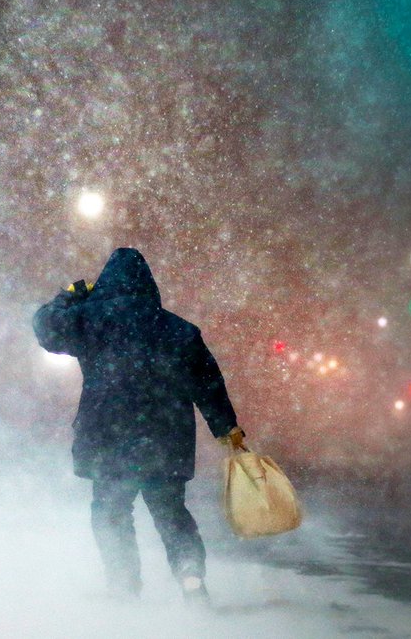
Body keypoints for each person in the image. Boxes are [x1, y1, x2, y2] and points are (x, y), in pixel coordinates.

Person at [33, 248, 246, 603]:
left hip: (108, 437)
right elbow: (208, 384)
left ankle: (124, 586)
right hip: (166, 437)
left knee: (111, 512)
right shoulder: (179, 330)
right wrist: (227, 428)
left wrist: (70, 296)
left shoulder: (91, 319)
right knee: (171, 513)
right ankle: (191, 578)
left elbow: (45, 327)